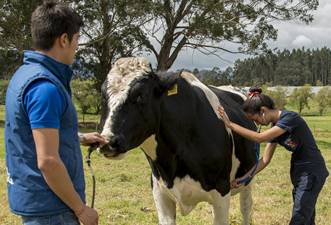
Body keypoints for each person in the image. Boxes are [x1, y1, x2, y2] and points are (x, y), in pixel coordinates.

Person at [5, 1, 107, 225]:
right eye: (76, 40)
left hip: (39, 201)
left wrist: (79, 138)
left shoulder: (24, 74)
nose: (76, 48)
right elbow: (48, 161)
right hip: (52, 208)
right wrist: (81, 210)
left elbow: (34, 132)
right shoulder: (45, 88)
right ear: (64, 39)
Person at [217, 87, 329, 225]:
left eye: (255, 119)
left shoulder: (290, 118)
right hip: (299, 171)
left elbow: (260, 138)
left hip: (312, 171)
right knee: (306, 217)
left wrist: (230, 125)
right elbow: (264, 160)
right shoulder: (276, 128)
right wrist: (243, 178)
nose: (257, 124)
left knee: (299, 217)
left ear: (263, 111)